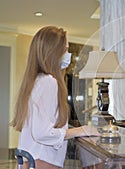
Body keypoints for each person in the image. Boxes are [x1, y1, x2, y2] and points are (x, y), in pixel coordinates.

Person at [11, 26, 100, 169]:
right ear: (52, 52)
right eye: (65, 50)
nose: (68, 54)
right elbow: (42, 133)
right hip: (41, 161)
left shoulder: (36, 81)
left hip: (29, 160)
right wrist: (81, 130)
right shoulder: (48, 82)